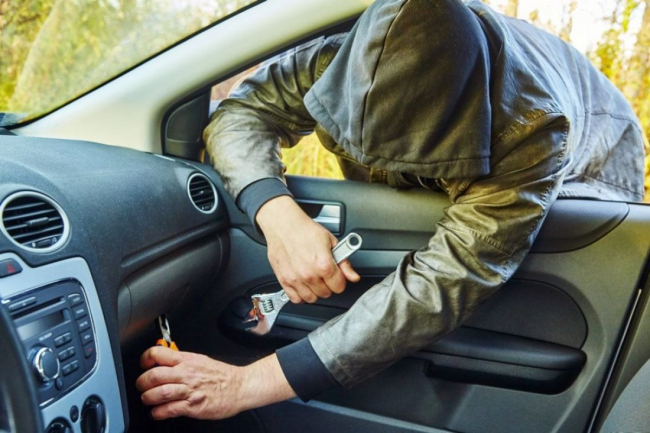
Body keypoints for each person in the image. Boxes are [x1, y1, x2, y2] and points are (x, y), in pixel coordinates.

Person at [136, 0, 646, 421]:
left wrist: (246, 384)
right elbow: (241, 113)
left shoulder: (531, 131)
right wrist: (277, 214)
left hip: (598, 151)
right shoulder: (334, 58)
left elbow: (448, 279)